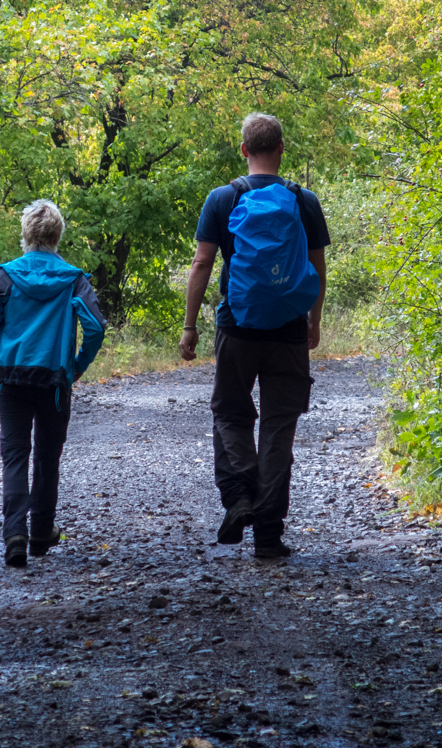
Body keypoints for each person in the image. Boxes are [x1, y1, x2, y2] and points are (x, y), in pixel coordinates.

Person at [178, 113, 329, 559]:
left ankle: (239, 496)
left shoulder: (222, 199)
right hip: (287, 329)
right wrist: (313, 320)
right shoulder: (304, 201)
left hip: (237, 326)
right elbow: (318, 269)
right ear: (282, 148)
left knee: (230, 411)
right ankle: (267, 534)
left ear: (243, 150)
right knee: (279, 426)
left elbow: (203, 263)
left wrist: (190, 326)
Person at [0, 200, 107, 567]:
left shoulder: (5, 276)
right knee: (48, 456)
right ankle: (40, 532)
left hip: (11, 377)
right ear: (58, 235)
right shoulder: (73, 278)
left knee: (15, 454)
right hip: (54, 380)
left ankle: (14, 534)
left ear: (26, 234)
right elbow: (96, 327)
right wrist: (77, 366)